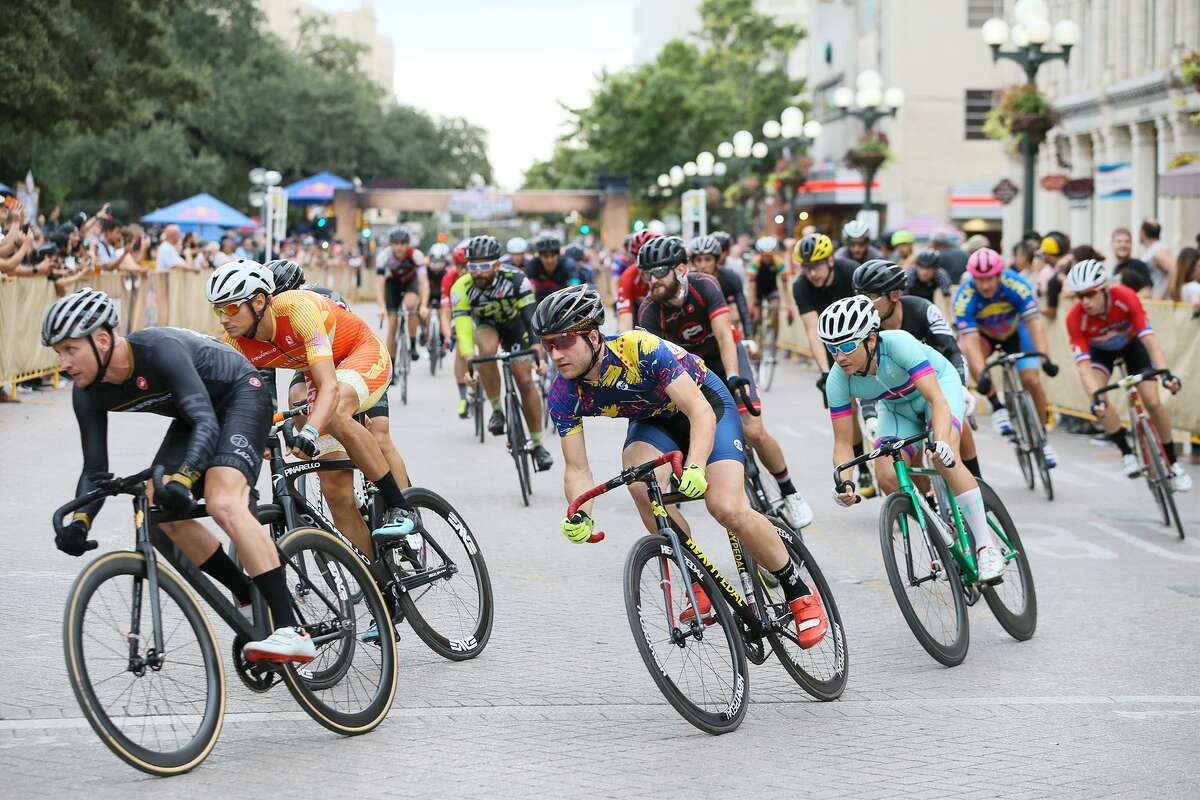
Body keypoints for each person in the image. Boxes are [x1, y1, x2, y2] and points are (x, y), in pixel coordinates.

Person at [540, 285, 828, 646]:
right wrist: (580, 511)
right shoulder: (564, 392)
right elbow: (577, 468)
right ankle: (696, 578)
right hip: (654, 422)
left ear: (593, 335)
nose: (555, 353)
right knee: (640, 484)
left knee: (725, 506)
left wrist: (694, 465)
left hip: (705, 405)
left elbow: (699, 412)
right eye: (548, 344)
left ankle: (797, 590)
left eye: (563, 341)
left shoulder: (639, 349)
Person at [44, 288, 318, 663]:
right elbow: (95, 470)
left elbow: (206, 419)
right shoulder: (87, 393)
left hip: (239, 395)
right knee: (158, 514)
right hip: (194, 416)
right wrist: (80, 522)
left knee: (223, 501)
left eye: (70, 349)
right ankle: (245, 594)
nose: (63, 362)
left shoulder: (158, 350)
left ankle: (293, 630)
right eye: (58, 352)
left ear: (102, 339)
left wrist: (184, 479)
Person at [209, 259, 420, 551]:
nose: (223, 318)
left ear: (259, 302)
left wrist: (309, 432)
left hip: (360, 353)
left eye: (230, 308)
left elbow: (331, 387)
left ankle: (400, 507)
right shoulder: (236, 343)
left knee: (338, 415)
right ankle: (379, 583)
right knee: (335, 490)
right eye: (217, 309)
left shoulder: (298, 307)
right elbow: (244, 399)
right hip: (318, 370)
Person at [821, 296, 1006, 582]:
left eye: (847, 346)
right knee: (885, 474)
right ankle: (939, 528)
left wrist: (942, 442)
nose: (839, 356)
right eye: (832, 348)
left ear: (871, 339)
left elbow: (938, 401)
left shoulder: (899, 344)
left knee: (942, 458)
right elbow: (843, 442)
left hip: (936, 391)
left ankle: (985, 546)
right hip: (896, 409)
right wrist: (845, 481)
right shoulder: (837, 379)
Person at [635, 236, 815, 529]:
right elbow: (661, 366)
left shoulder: (705, 285)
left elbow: (723, 335)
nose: (650, 281)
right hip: (692, 372)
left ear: (680, 270)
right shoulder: (650, 311)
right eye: (645, 274)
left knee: (754, 431)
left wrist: (732, 376)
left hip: (724, 357)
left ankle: (789, 490)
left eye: (657, 272)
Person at [1064, 260, 1190, 491]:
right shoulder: (1075, 317)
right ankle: (1126, 452)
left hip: (1132, 347)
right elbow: (1083, 366)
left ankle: (1173, 464)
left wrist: (1165, 373)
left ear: (1104, 289)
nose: (1085, 302)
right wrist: (1095, 398)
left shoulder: (1126, 297)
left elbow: (1149, 339)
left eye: (1090, 294)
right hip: (1101, 353)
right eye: (1079, 296)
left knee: (1152, 401)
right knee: (1099, 400)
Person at [853, 259, 982, 478]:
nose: (864, 304)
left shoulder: (924, 310)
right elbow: (863, 375)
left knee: (956, 430)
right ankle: (927, 503)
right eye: (859, 296)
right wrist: (869, 414)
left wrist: (961, 387)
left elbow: (953, 352)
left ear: (894, 295)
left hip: (936, 385)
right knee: (899, 463)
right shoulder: (863, 327)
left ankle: (978, 483)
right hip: (899, 401)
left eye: (871, 297)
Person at [449, 234, 554, 471]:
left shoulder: (516, 279)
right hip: (487, 326)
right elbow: (464, 330)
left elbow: (530, 315)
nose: (478, 272)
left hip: (516, 327)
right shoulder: (461, 288)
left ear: (497, 264)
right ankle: (497, 409)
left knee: (525, 381)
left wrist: (537, 348)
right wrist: (468, 361)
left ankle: (537, 444)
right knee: (484, 350)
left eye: (484, 266)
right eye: (473, 266)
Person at [953, 247, 1059, 466]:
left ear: (1000, 274)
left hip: (1015, 333)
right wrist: (982, 376)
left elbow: (1035, 324)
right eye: (979, 280)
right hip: (984, 337)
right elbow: (971, 342)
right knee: (969, 350)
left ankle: (1042, 438)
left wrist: (1044, 357)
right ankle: (998, 407)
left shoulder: (1016, 285)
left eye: (990, 279)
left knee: (1031, 380)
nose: (985, 285)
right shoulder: (965, 296)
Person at [792, 232, 876, 497]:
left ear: (829, 261)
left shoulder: (850, 272)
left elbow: (871, 313)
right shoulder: (801, 286)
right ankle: (861, 466)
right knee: (847, 409)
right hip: (834, 345)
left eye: (816, 266)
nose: (812, 273)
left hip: (862, 341)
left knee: (874, 400)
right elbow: (810, 329)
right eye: (806, 268)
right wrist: (824, 371)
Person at [375, 226, 429, 363]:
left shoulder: (416, 255)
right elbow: (379, 284)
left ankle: (412, 344)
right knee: (392, 325)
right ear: (391, 244)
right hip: (392, 285)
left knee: (411, 305)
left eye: (403, 243)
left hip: (410, 282)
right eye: (396, 244)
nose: (400, 247)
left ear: (408, 244)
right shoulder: (383, 257)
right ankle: (391, 365)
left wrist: (423, 305)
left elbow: (424, 282)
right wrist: (381, 306)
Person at [689, 234, 753, 337]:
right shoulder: (688, 282)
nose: (703, 265)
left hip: (725, 324)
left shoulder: (731, 278)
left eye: (708, 259)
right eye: (698, 260)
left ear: (716, 260)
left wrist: (749, 336)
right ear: (693, 262)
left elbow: (743, 309)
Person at [616, 229, 661, 331]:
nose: (645, 266)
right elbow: (624, 324)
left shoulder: (670, 273)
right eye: (639, 258)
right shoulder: (629, 276)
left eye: (652, 259)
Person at [746, 235, 789, 331]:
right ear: (760, 253)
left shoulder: (779, 262)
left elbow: (785, 286)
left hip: (771, 289)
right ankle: (753, 337)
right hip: (757, 290)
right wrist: (751, 305)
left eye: (770, 255)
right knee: (756, 317)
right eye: (765, 256)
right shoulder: (754, 263)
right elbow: (751, 286)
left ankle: (774, 339)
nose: (767, 258)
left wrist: (788, 305)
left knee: (776, 310)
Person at [525, 233, 580, 303]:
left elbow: (576, 285)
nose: (549, 260)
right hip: (539, 304)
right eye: (545, 256)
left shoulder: (568, 264)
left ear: (558, 255)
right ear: (540, 257)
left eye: (553, 256)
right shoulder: (533, 264)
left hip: (564, 302)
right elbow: (529, 288)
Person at [1140, 218, 1176, 299]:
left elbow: (1174, 269)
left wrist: (1163, 297)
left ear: (1142, 233)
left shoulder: (1158, 250)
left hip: (1160, 305)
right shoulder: (1153, 250)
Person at [1110, 227, 1153, 296]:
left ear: (1131, 244)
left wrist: (1130, 302)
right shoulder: (1116, 269)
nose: (1123, 245)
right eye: (1119, 241)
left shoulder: (1138, 265)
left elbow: (1147, 291)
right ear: (1112, 244)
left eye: (1127, 241)